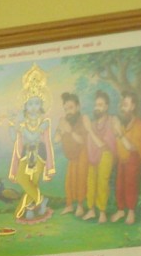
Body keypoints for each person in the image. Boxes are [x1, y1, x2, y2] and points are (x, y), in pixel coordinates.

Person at [8, 94, 55, 223]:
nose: (33, 107)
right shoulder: (22, 122)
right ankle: (41, 200)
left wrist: (21, 128)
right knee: (21, 178)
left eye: (36, 103)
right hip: (25, 153)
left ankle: (29, 209)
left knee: (33, 183)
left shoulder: (44, 121)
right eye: (30, 104)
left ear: (41, 105)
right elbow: (13, 138)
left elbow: (34, 137)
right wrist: (11, 125)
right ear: (25, 106)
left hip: (39, 153)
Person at [111, 90, 141, 225]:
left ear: (133, 106)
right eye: (121, 105)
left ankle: (131, 211)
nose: (122, 107)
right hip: (122, 159)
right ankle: (120, 210)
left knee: (131, 184)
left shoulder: (139, 124)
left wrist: (119, 134)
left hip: (134, 159)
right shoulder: (122, 123)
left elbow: (131, 147)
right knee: (119, 184)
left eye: (125, 105)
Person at [84, 91, 119, 222]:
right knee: (91, 182)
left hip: (106, 154)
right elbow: (90, 143)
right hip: (93, 156)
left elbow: (103, 145)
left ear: (106, 107)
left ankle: (102, 212)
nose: (97, 108)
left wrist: (89, 130)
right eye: (96, 105)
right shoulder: (93, 123)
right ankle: (91, 210)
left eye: (100, 105)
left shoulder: (111, 121)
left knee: (102, 183)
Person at [53, 92, 90, 217]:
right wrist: (60, 129)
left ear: (78, 107)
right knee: (69, 181)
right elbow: (56, 140)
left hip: (82, 154)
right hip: (71, 156)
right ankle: (69, 205)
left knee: (81, 179)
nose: (68, 111)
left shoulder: (83, 119)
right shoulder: (64, 121)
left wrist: (70, 130)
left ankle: (80, 206)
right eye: (66, 109)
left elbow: (82, 140)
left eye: (71, 108)